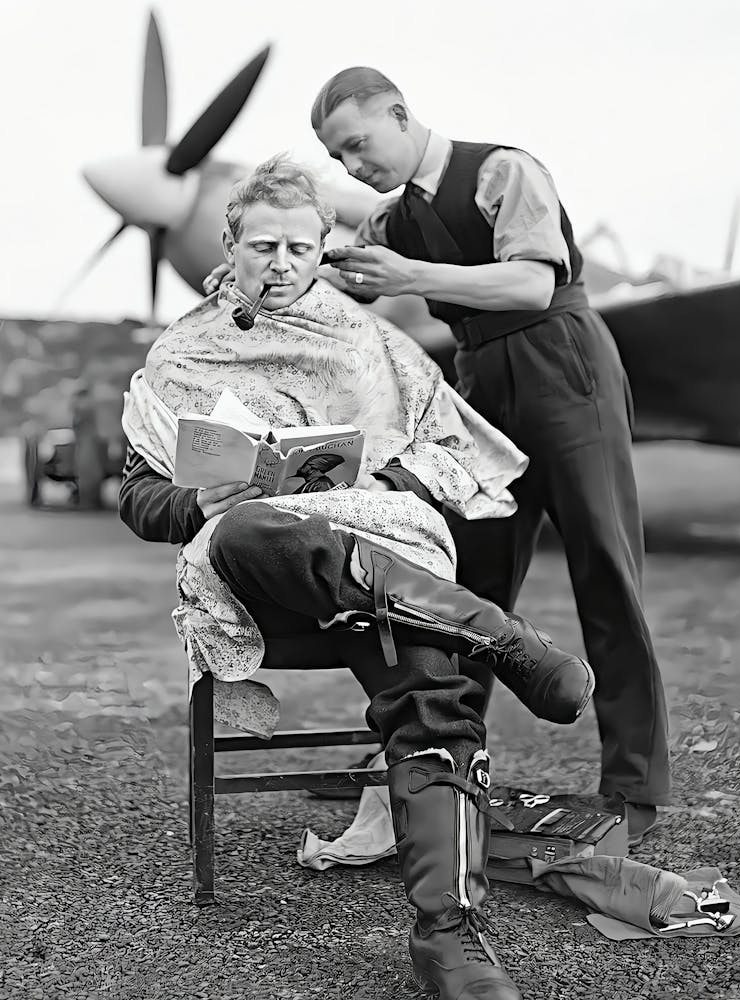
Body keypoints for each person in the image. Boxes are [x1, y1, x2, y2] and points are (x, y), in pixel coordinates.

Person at [120, 156, 596, 1000]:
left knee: (429, 680)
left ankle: (449, 936)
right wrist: (197, 501)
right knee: (259, 526)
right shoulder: (179, 351)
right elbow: (139, 496)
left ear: (323, 248)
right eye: (263, 245)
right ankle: (494, 633)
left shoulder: (371, 339)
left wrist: (383, 483)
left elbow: (454, 454)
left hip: (379, 562)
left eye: (301, 247)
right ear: (229, 244)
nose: (282, 262)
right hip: (256, 577)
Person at [307, 67, 670, 847]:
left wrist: (414, 278)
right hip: (476, 385)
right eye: (339, 160)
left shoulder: (504, 170)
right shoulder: (392, 219)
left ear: (399, 116)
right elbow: (343, 274)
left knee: (604, 570)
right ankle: (439, 763)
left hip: (561, 367)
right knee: (465, 591)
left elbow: (533, 284)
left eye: (359, 146)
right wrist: (265, 268)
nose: (354, 169)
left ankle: (634, 787)